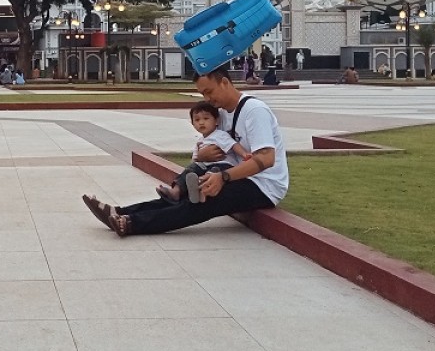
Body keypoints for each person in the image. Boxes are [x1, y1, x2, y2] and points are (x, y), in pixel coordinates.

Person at [82, 66, 287, 236]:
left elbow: (266, 158)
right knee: (181, 195)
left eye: (209, 91)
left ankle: (131, 223)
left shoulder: (254, 111)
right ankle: (119, 212)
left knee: (201, 203)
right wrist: (202, 158)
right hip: (231, 173)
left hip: (264, 185)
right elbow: (214, 147)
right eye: (202, 94)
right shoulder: (222, 114)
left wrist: (223, 177)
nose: (207, 98)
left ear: (225, 82)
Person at [155, 101, 251, 203]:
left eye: (206, 118)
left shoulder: (220, 135)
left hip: (223, 166)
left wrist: (244, 154)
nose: (201, 122)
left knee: (215, 171)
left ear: (216, 121)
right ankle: (176, 191)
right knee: (191, 170)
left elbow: (233, 145)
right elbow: (195, 160)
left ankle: (201, 191)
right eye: (197, 120)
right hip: (205, 167)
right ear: (192, 124)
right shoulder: (199, 142)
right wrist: (196, 163)